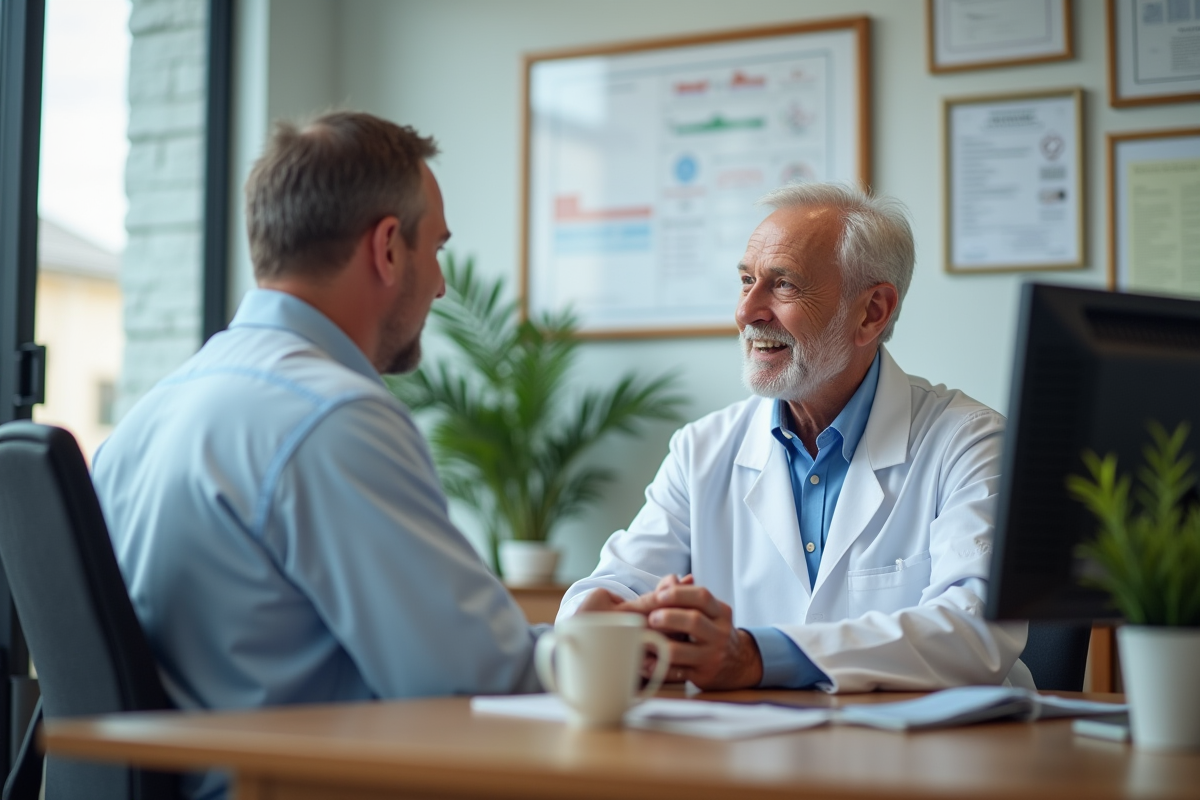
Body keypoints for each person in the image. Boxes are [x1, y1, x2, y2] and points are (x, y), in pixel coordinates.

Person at [93, 112, 603, 800]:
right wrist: (613, 649)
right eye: (437, 249)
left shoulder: (149, 414)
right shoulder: (332, 418)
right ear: (389, 247)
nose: (443, 286)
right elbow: (474, 678)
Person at [558, 183, 1031, 694]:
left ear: (872, 311)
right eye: (746, 281)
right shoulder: (702, 448)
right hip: (753, 755)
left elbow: (977, 633)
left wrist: (755, 657)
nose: (747, 312)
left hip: (938, 759)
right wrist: (607, 615)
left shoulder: (971, 442)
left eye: (782, 286)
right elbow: (615, 584)